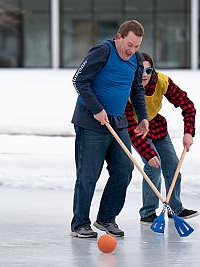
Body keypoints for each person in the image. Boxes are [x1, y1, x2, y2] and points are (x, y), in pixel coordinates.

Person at [70, 20, 149, 238]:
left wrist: (142, 117)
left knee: (124, 169)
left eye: (137, 46)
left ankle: (106, 218)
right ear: (119, 37)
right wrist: (96, 108)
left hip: (118, 122)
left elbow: (136, 90)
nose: (132, 50)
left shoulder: (137, 59)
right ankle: (79, 224)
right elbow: (79, 80)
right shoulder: (102, 51)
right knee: (88, 175)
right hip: (91, 122)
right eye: (129, 44)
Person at [125, 52, 198, 224]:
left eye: (148, 71)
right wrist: (148, 154)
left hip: (158, 128)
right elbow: (129, 127)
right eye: (140, 70)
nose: (144, 74)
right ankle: (148, 213)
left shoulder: (162, 82)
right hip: (137, 130)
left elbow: (188, 106)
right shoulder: (126, 87)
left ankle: (175, 209)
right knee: (153, 166)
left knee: (173, 167)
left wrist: (188, 132)